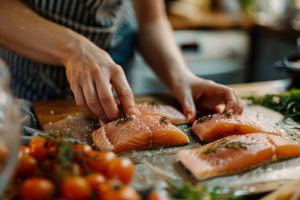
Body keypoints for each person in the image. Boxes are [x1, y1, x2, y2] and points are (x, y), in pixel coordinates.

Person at [0, 0, 243, 124]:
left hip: (117, 82)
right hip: (26, 84)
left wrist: (181, 75)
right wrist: (73, 47)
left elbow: (151, 20)